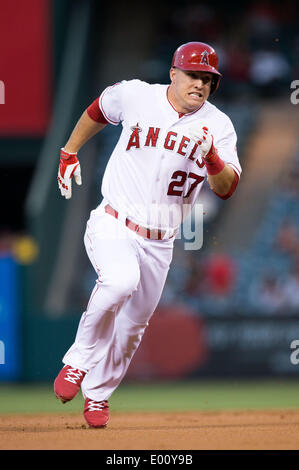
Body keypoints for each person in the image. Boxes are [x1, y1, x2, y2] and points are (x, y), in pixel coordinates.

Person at [54, 42, 242, 428]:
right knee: (120, 281)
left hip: (161, 240)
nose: (200, 84)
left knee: (133, 327)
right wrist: (70, 150)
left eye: (207, 79)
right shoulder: (137, 94)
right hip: (114, 220)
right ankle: (77, 362)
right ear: (173, 73)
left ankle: (99, 395)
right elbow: (98, 109)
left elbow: (226, 187)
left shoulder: (219, 125)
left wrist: (212, 158)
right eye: (193, 75)